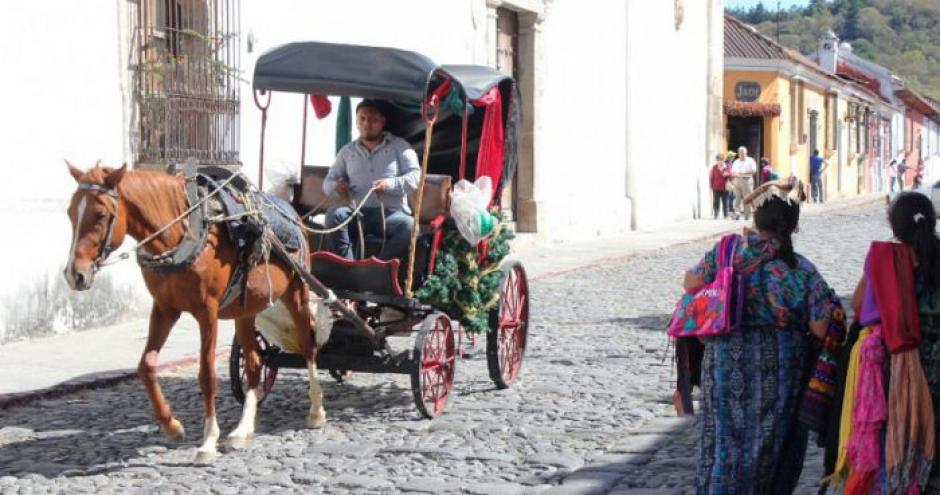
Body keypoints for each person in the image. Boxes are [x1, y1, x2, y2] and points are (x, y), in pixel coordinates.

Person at [684, 177, 836, 494]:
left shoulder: (726, 252)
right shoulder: (801, 269)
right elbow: (821, 327)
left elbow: (691, 283)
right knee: (767, 446)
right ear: (793, 227)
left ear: (756, 218)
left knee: (722, 440)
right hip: (778, 373)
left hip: (724, 363)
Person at [842, 192, 940, 493]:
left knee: (900, 447)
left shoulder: (885, 261)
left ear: (894, 228)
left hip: (900, 373)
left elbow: (860, 307)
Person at [323, 100, 420, 260]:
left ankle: (379, 267)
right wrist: (337, 186)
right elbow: (328, 183)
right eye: (362, 119)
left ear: (382, 122)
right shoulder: (347, 152)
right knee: (334, 215)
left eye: (373, 119)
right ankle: (347, 266)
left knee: (410, 227)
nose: (367, 123)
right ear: (356, 122)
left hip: (391, 215)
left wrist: (389, 184)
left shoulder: (400, 146)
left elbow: (416, 178)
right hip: (357, 213)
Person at [730, 146, 757, 220]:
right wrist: (735, 174)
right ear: (738, 153)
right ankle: (737, 213)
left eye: (743, 153)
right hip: (737, 180)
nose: (741, 154)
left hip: (747, 180)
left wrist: (744, 172)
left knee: (747, 198)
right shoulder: (736, 161)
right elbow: (732, 172)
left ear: (746, 153)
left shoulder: (750, 160)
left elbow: (754, 171)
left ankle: (747, 215)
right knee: (737, 197)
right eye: (740, 153)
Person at [709, 153, 730, 219]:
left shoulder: (727, 167)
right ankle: (716, 214)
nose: (719, 161)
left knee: (725, 202)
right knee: (716, 201)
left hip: (724, 187)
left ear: (723, 160)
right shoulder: (714, 167)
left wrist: (728, 174)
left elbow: (731, 175)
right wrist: (711, 186)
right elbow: (711, 177)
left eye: (721, 159)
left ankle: (725, 214)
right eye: (718, 160)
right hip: (716, 187)